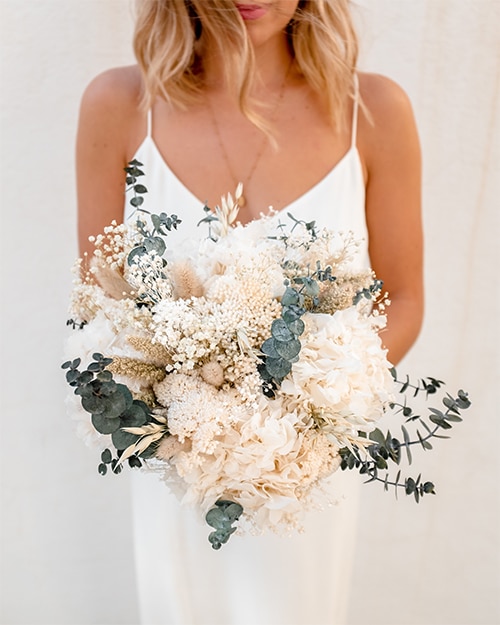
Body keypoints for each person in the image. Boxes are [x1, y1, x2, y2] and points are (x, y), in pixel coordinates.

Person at [76, 1, 423, 623]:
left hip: (302, 466)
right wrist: (193, 415)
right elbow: (102, 300)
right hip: (178, 459)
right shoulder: (120, 106)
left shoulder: (372, 112)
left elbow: (404, 297)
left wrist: (311, 407)